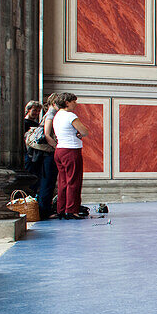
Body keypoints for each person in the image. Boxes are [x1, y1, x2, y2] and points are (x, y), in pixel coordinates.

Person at [53, 92, 90, 220]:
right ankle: (72, 210)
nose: (76, 103)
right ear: (67, 102)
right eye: (74, 101)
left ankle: (61, 209)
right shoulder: (70, 116)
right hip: (71, 150)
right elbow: (84, 131)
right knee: (74, 180)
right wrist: (80, 134)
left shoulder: (57, 115)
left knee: (62, 181)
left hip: (59, 150)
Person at [38, 94, 60, 219]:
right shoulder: (51, 114)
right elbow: (47, 135)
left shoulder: (50, 114)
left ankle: (45, 209)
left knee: (49, 181)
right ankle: (44, 211)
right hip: (48, 153)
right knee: (48, 181)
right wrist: (57, 148)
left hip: (49, 152)